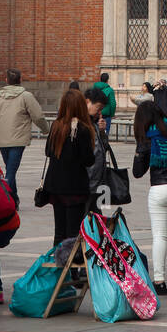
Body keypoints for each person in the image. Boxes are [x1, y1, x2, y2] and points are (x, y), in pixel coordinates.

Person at [132, 100, 167, 295]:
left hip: (158, 188)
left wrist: (139, 151)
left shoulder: (148, 136)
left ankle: (159, 281)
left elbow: (137, 172)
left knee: (159, 236)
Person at [41, 88, 97, 246]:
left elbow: (48, 151)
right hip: (74, 187)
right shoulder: (83, 129)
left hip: (55, 186)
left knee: (59, 230)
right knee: (73, 232)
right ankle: (71, 267)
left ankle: (59, 264)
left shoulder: (56, 126)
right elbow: (88, 160)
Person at [0, 68, 49, 203]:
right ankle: (6, 199)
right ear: (20, 80)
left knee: (10, 169)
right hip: (18, 139)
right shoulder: (26, 96)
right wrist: (46, 129)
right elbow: (38, 116)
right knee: (11, 171)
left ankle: (14, 199)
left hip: (2, 139)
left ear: (6, 80)